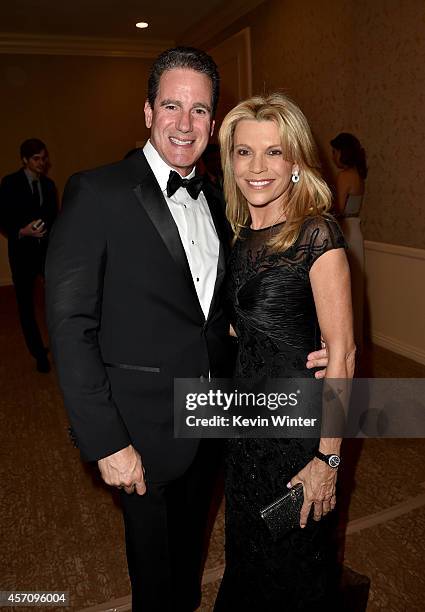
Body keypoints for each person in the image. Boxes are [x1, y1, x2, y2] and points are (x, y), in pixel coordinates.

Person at [45, 48, 328, 611]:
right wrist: (106, 442)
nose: (184, 122)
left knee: (190, 567)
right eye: (171, 105)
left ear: (213, 123)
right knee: (155, 584)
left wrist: (306, 341)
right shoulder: (96, 193)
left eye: (199, 110)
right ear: (148, 111)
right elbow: (70, 327)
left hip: (214, 419)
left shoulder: (227, 203)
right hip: (140, 432)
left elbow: (237, 304)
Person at [214, 94, 355, 610]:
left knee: (292, 567)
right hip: (246, 425)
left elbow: (342, 355)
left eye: (274, 153)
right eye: (244, 152)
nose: (257, 168)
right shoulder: (240, 235)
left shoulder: (317, 235)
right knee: (250, 555)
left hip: (297, 433)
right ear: (229, 161)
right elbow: (238, 329)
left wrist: (328, 457)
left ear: (295, 162)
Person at [0, 138, 58, 372]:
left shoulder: (49, 185)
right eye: (36, 159)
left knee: (57, 302)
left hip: (46, 253)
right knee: (25, 306)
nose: (42, 163)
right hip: (22, 254)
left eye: (44, 158)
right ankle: (38, 354)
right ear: (25, 160)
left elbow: (54, 216)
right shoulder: (10, 183)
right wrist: (22, 231)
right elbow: (2, 218)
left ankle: (61, 346)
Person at [330, 132, 367, 353]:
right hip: (356, 230)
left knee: (345, 288)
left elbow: (338, 210)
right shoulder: (358, 175)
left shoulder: (344, 176)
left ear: (343, 153)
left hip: (345, 231)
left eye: (335, 151)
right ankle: (356, 338)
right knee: (356, 288)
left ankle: (346, 340)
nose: (333, 156)